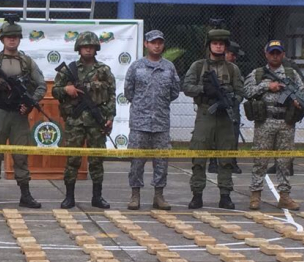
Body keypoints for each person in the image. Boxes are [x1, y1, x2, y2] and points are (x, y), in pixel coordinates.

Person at [0, 17, 45, 209]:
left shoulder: (27, 62)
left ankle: (25, 195)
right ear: (2, 39)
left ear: (19, 39)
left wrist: (31, 103)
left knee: (21, 155)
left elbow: (41, 85)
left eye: (15, 37)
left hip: (19, 115)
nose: (12, 40)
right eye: (8, 37)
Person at [182, 28, 244, 210]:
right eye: (215, 44)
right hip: (205, 114)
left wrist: (231, 100)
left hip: (225, 118)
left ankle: (225, 195)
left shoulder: (233, 69)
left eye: (221, 44)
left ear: (226, 47)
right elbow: (186, 87)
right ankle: (197, 195)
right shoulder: (198, 66)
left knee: (226, 158)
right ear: (209, 46)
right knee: (199, 156)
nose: (218, 47)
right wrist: (204, 90)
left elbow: (241, 92)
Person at [53, 31, 116, 209]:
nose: (88, 49)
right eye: (84, 46)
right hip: (75, 121)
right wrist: (67, 90)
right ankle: (69, 197)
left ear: (96, 48)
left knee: (97, 159)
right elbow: (54, 91)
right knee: (72, 158)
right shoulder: (70, 70)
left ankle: (97, 197)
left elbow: (111, 95)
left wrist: (110, 117)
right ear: (79, 48)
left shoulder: (103, 70)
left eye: (91, 46)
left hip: (97, 121)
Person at [244, 40, 304, 211]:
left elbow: (303, 93)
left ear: (283, 54)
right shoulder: (257, 74)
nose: (275, 56)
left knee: (284, 161)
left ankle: (284, 196)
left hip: (286, 122)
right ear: (266, 54)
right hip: (264, 122)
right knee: (260, 160)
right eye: (272, 53)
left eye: (278, 53)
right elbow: (247, 92)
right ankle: (255, 194)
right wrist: (267, 86)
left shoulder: (292, 74)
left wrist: (298, 101)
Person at [123, 29, 179, 210]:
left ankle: (159, 195)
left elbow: (174, 92)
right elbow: (128, 91)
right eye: (153, 42)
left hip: (161, 124)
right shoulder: (136, 67)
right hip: (140, 123)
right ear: (146, 44)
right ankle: (135, 195)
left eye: (160, 42)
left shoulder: (169, 67)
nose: (157, 45)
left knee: (161, 161)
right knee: (137, 162)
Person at [209, 40, 244, 175]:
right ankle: (213, 162)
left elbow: (240, 90)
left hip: (231, 106)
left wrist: (234, 100)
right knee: (213, 135)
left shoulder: (234, 69)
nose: (234, 58)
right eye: (232, 54)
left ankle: (232, 162)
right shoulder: (212, 67)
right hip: (214, 105)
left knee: (232, 135)